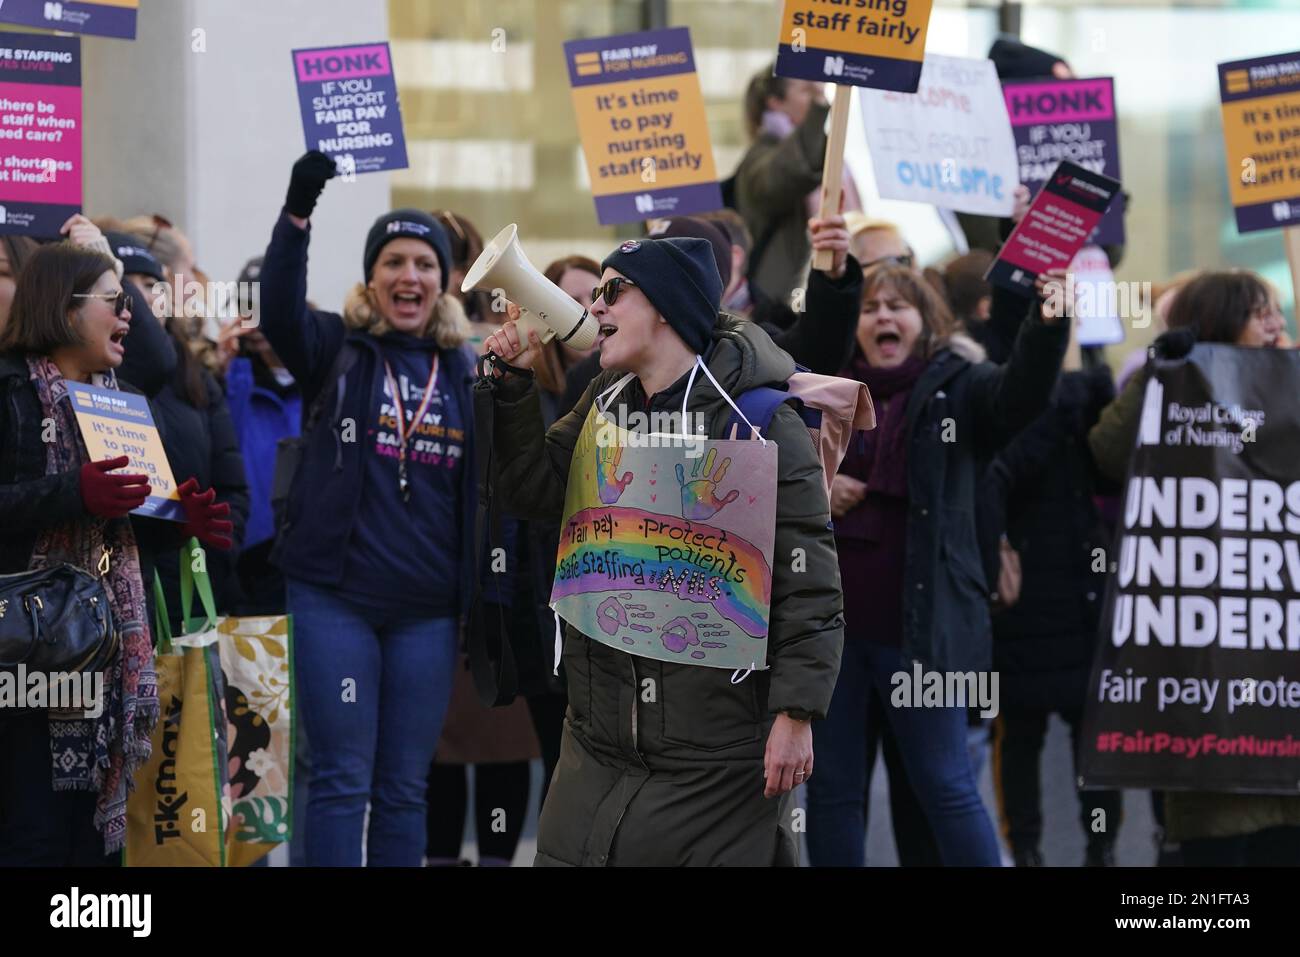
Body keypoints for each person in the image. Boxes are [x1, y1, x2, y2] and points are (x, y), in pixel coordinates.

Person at [482, 235, 845, 866]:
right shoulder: (606, 403)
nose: (595, 306)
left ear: (670, 308)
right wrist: (510, 382)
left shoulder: (759, 419)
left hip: (713, 755)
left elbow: (807, 579)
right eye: (594, 292)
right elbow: (533, 490)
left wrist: (797, 713)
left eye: (613, 290)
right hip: (596, 741)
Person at [807, 262, 1071, 866]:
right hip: (830, 638)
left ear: (926, 322)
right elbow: (777, 475)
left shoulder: (960, 383)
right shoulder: (825, 389)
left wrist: (1048, 325)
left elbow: (1021, 395)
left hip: (924, 634)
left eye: (898, 306)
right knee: (830, 794)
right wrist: (825, 485)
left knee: (947, 787)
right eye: (872, 307)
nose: (883, 317)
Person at [258, 150, 477, 866]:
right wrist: (298, 214)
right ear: (372, 278)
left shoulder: (467, 372)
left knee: (404, 787)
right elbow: (280, 309)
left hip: (428, 610)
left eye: (423, 263)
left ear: (443, 283)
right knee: (342, 780)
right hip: (336, 598)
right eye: (393, 262)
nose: (408, 275)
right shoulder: (336, 348)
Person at [0, 243, 226, 864]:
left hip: (102, 665)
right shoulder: (8, 389)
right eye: (114, 300)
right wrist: (71, 493)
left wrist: (179, 523)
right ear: (63, 308)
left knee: (91, 842)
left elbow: (127, 520)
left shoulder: (121, 400)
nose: (129, 314)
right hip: (20, 659)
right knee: (30, 833)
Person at [1088, 269, 1299, 867]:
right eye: (1262, 312)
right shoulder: (1175, 384)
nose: (1277, 324)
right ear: (1221, 321)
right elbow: (1108, 451)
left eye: (1279, 312)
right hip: (1211, 650)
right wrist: (1161, 373)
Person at [982, 299, 1124, 867]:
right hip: (1026, 597)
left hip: (1084, 593)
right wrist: (1059, 402)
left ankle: (1102, 850)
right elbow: (1005, 469)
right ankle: (1029, 852)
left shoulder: (1087, 390)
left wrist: (1098, 397)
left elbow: (1108, 467)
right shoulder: (1003, 392)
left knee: (1096, 741)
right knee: (1021, 737)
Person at [734, 67, 860, 305]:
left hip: (818, 289)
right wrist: (820, 107)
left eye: (818, 89)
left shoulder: (829, 158)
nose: (818, 93)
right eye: (806, 90)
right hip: (782, 303)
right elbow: (790, 173)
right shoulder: (760, 157)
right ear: (775, 103)